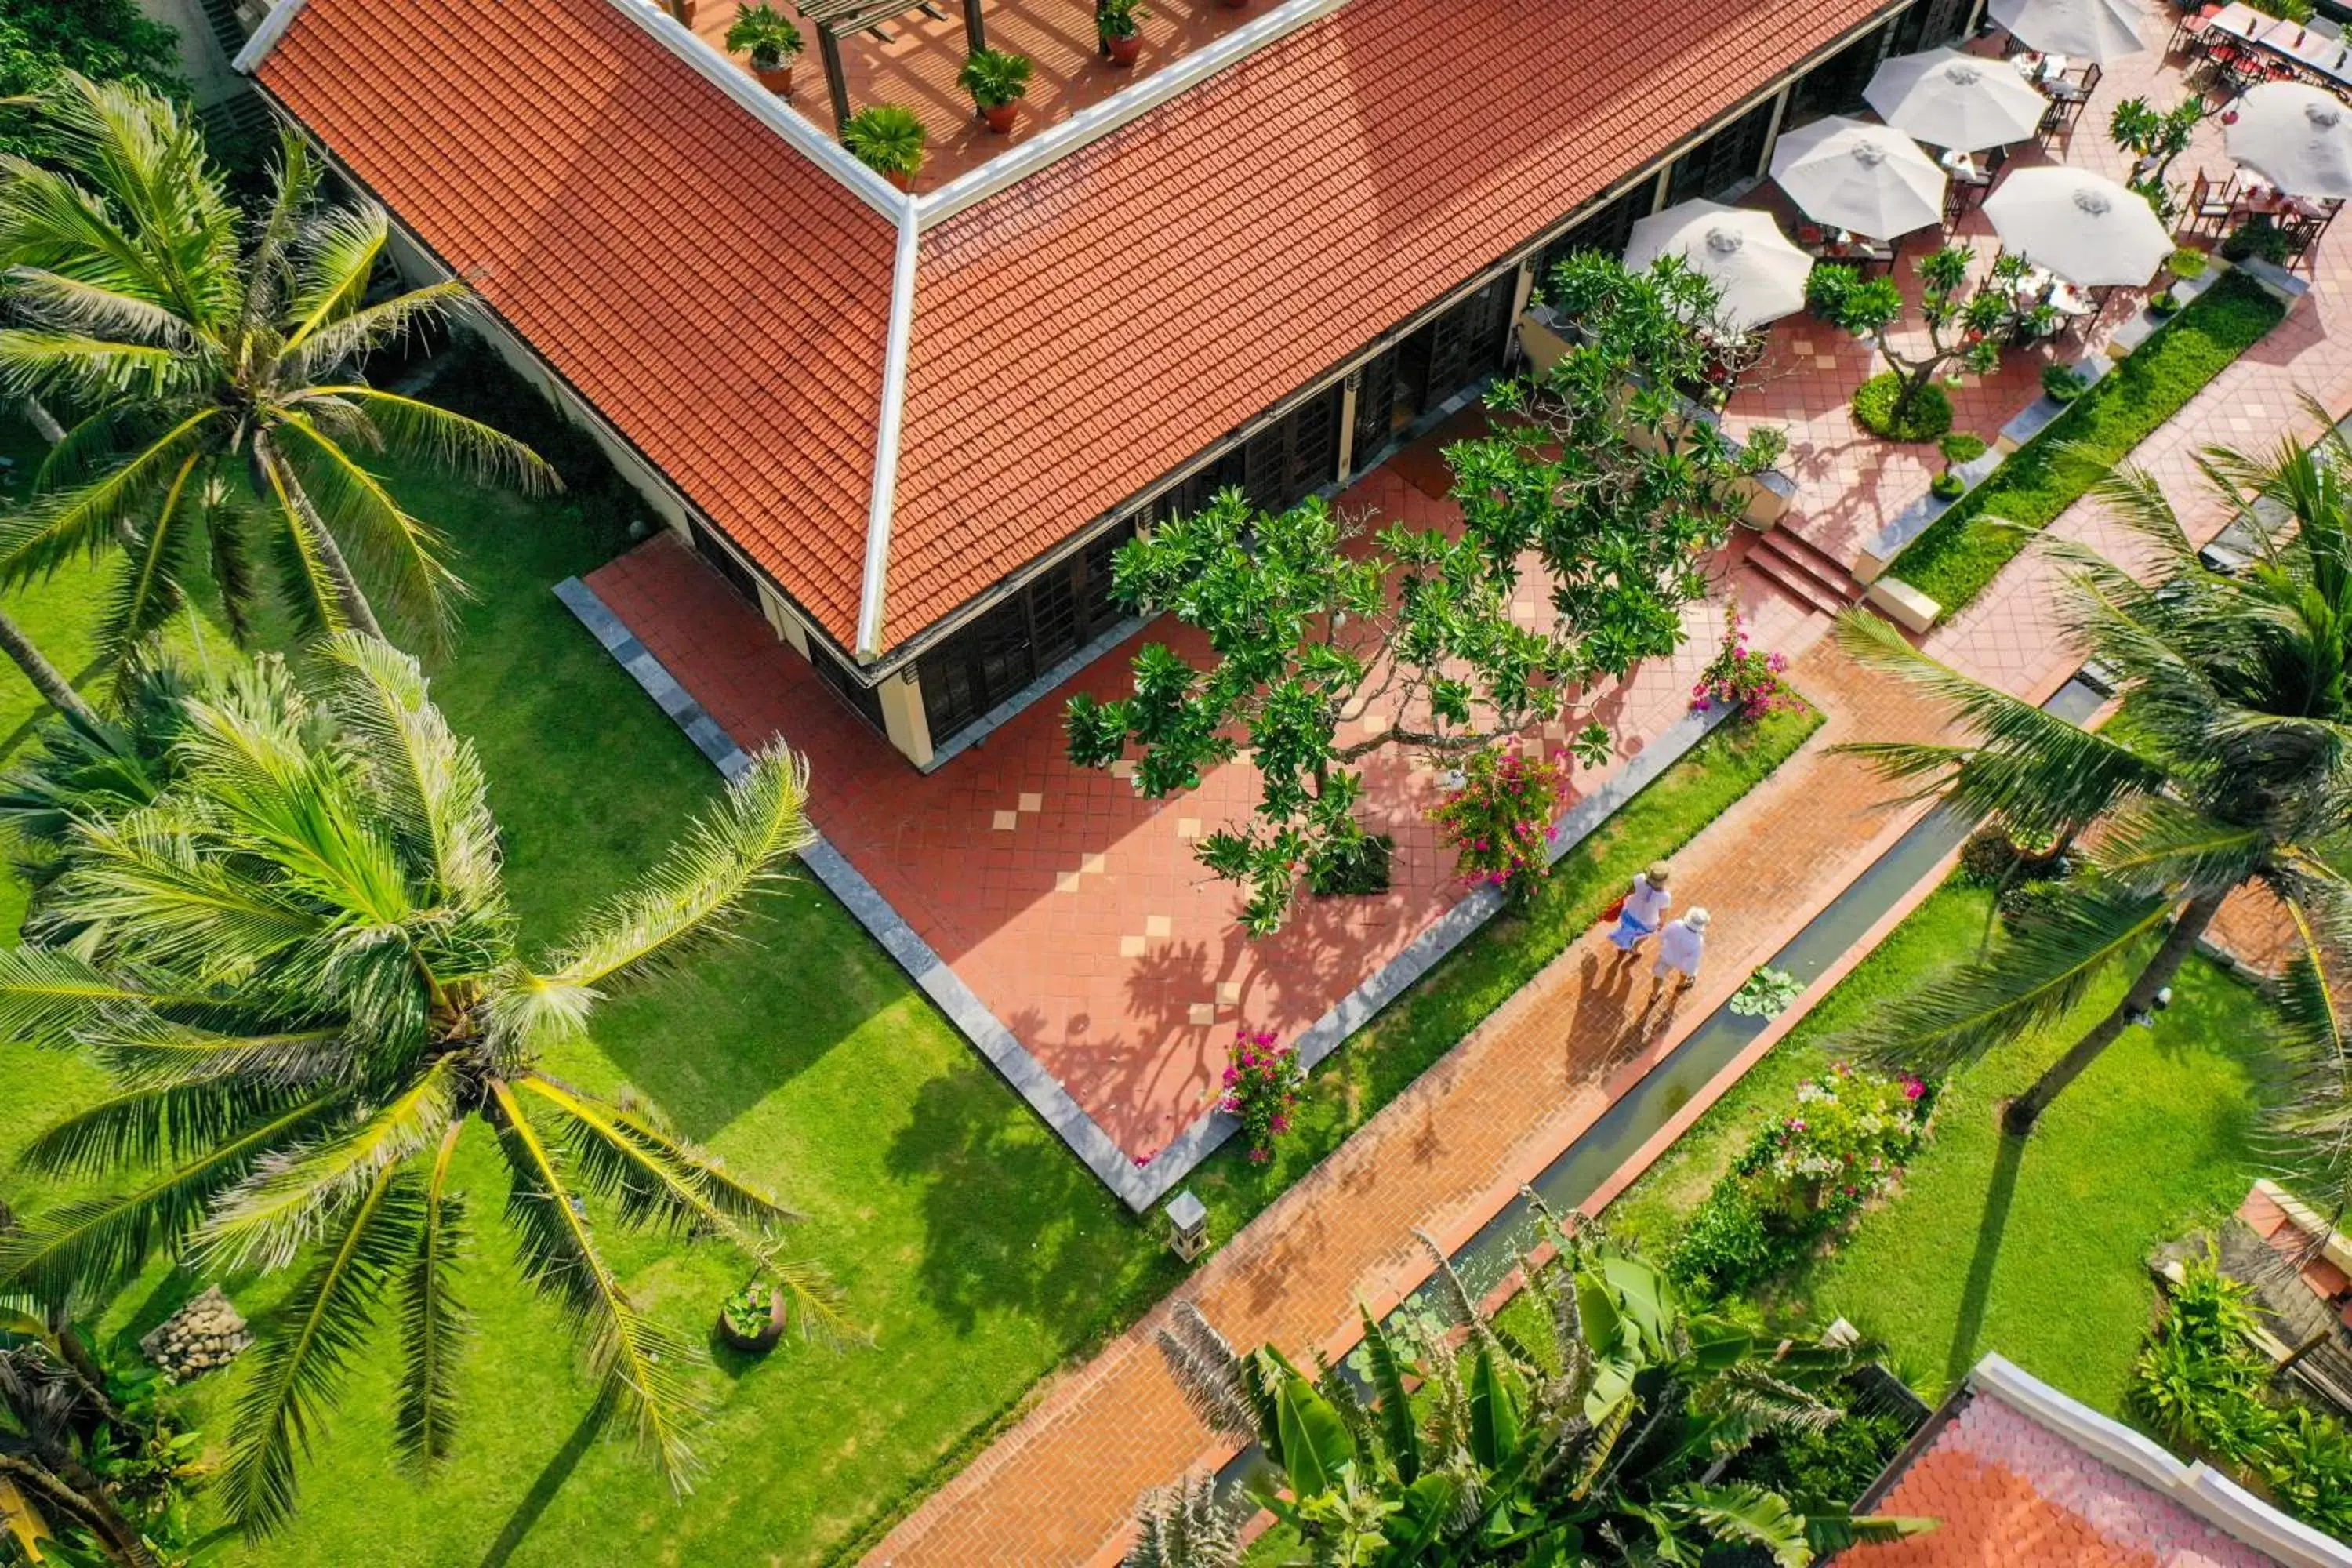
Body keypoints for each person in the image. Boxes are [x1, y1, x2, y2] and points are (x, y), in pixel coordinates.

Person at [1607, 862, 1673, 958]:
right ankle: (1635, 948)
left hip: (1629, 914)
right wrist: (1661, 924)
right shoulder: (1665, 897)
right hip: (1646, 923)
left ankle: (1624, 943)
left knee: (1626, 928)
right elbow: (1663, 915)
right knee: (1643, 936)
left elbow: (1629, 891)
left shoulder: (1640, 879)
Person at [1654, 906, 1709, 989]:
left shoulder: (1676, 924)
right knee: (1684, 973)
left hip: (1666, 956)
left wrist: (1665, 947)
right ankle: (1681, 983)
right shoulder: (1698, 940)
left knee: (1659, 976)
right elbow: (1693, 962)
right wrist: (1691, 972)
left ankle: (1655, 995)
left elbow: (1662, 936)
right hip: (1682, 963)